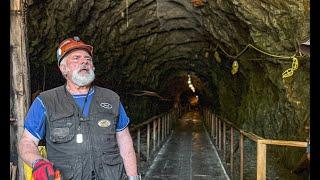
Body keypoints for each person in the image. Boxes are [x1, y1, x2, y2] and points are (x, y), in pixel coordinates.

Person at [18, 36, 140, 180]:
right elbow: (27, 142)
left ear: (93, 67)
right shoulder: (45, 101)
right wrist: (37, 162)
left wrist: (133, 177)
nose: (84, 62)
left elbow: (125, 143)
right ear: (63, 69)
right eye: (76, 58)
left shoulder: (111, 99)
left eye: (88, 59)